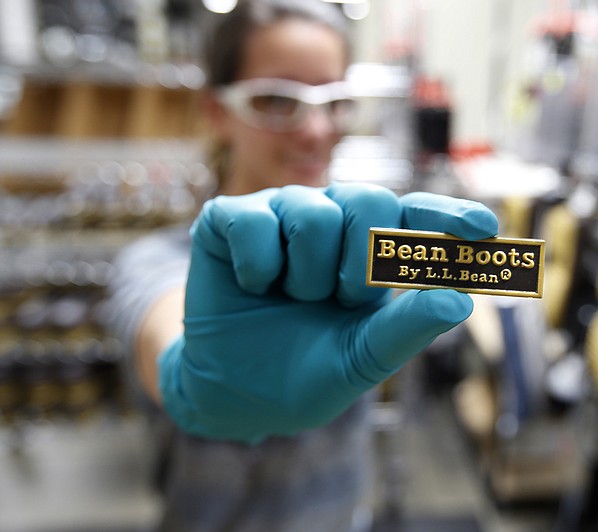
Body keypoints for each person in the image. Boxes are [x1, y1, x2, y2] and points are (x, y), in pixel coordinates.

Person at [104, 1, 499, 531]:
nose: (315, 130)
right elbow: (163, 331)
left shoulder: (361, 259)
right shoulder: (156, 261)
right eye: (275, 99)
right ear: (218, 112)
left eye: (334, 101)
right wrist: (193, 377)